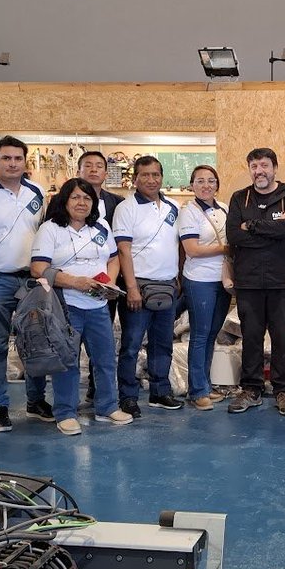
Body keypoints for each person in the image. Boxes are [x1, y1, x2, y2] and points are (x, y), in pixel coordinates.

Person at [0, 136, 53, 433]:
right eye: (6, 158)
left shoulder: (37, 192)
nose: (12, 163)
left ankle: (35, 401)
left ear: (24, 161)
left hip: (30, 279)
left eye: (18, 158)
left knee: (35, 341)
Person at [30, 178, 128, 435]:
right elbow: (38, 268)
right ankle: (65, 412)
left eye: (86, 198)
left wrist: (108, 281)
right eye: (75, 197)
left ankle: (107, 406)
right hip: (65, 305)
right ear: (64, 200)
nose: (81, 202)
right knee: (67, 360)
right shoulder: (50, 229)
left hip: (98, 305)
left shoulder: (101, 227)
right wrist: (75, 282)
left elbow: (114, 258)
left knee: (105, 358)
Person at [225, 148, 285, 416]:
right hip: (249, 283)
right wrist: (273, 230)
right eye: (254, 166)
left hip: (284, 281)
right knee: (251, 338)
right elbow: (234, 236)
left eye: (265, 165)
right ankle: (252, 389)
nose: (260, 171)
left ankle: (283, 391)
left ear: (275, 168)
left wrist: (254, 226)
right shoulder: (239, 198)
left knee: (283, 339)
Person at [114, 156, 184, 416]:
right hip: (138, 287)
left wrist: (177, 277)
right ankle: (128, 396)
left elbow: (177, 244)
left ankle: (159, 391)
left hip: (167, 286)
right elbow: (123, 249)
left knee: (162, 342)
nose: (151, 180)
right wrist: (131, 287)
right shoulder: (126, 208)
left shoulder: (173, 207)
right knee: (131, 345)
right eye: (145, 175)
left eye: (156, 174)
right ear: (135, 178)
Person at [179, 165, 232, 410]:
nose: (206, 185)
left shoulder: (224, 209)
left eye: (211, 180)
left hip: (222, 280)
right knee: (200, 335)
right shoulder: (188, 212)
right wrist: (224, 249)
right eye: (200, 181)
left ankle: (205, 386)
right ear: (192, 185)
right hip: (199, 280)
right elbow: (192, 249)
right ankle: (197, 390)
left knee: (212, 333)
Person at [78, 150, 124, 405]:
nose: (94, 170)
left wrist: (110, 281)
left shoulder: (117, 202)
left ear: (106, 173)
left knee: (103, 339)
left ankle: (98, 389)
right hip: (73, 283)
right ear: (79, 171)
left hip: (108, 281)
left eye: (99, 166)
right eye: (88, 165)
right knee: (72, 341)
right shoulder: (65, 201)